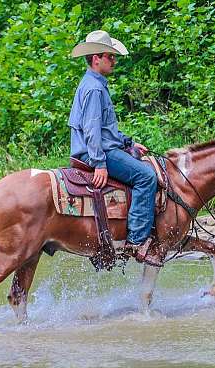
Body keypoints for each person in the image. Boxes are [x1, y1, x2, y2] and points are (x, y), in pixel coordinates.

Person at [68, 30, 158, 260]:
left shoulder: (93, 83)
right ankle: (137, 242)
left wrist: (129, 142)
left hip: (102, 148)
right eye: (110, 56)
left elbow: (106, 129)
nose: (114, 60)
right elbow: (91, 130)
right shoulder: (94, 88)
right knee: (147, 177)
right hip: (96, 153)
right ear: (96, 58)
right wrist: (99, 164)